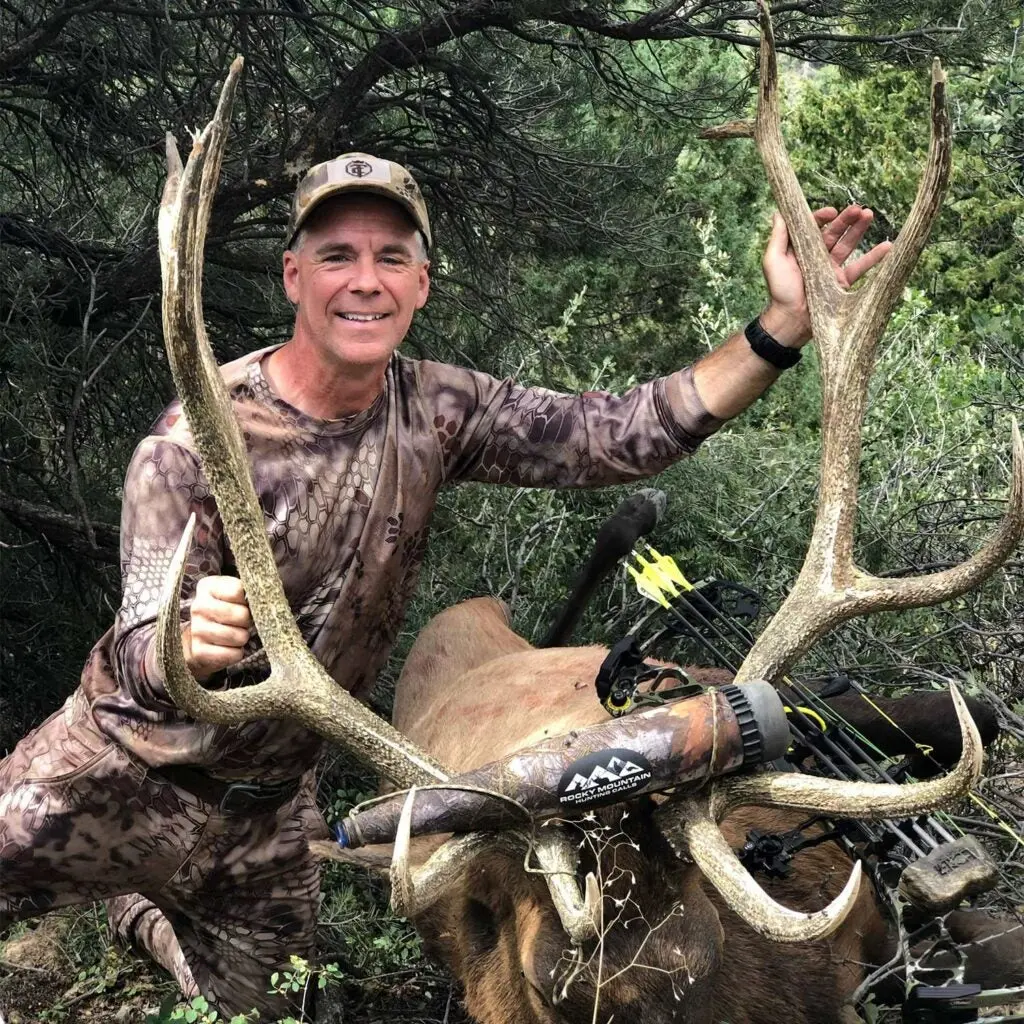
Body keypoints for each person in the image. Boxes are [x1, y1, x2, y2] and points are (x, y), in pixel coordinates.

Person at [0, 152, 889, 1019]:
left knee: (266, 1007)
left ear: (420, 284)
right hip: (119, 774)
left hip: (264, 813)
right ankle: (127, 879)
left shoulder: (434, 408)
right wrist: (177, 644)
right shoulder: (190, 443)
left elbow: (618, 432)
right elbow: (138, 630)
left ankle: (143, 915)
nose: (365, 281)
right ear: (293, 277)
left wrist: (779, 327)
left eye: (391, 258)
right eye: (337, 256)